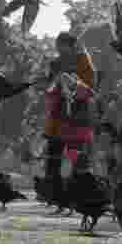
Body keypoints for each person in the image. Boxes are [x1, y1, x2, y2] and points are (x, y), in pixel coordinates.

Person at [43, 32, 97, 201]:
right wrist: (55, 85)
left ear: (70, 45)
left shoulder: (83, 60)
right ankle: (55, 195)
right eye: (57, 45)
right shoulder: (55, 63)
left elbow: (90, 87)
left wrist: (73, 84)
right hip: (58, 120)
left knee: (76, 157)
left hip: (77, 119)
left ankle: (80, 193)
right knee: (54, 157)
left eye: (61, 44)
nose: (58, 48)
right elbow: (49, 88)